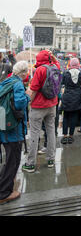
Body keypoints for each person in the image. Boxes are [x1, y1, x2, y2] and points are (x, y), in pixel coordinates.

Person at [22, 50, 61, 172]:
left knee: (34, 133)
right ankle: (51, 159)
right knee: (51, 132)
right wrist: (52, 57)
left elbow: (33, 90)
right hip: (52, 105)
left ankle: (30, 163)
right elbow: (57, 62)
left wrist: (28, 102)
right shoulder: (55, 67)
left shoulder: (39, 70)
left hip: (38, 106)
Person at [0, 61, 30, 204]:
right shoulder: (18, 84)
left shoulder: (6, 81)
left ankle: (4, 185)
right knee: (13, 161)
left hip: (3, 127)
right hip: (14, 130)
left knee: (9, 160)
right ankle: (4, 193)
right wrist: (28, 96)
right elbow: (19, 105)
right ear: (24, 73)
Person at [60, 57, 81, 144]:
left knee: (66, 115)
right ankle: (71, 136)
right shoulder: (80, 73)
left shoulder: (66, 73)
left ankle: (65, 135)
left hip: (67, 95)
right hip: (77, 96)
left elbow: (62, 83)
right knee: (74, 116)